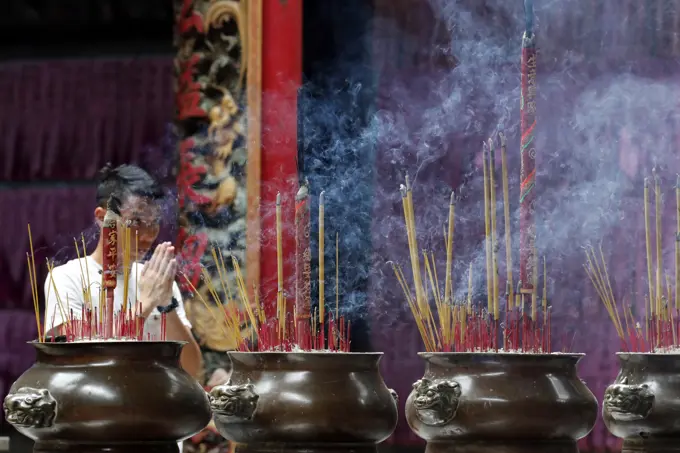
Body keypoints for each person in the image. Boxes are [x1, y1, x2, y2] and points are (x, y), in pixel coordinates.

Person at [44, 164, 203, 379]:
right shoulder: (67, 278)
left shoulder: (155, 279)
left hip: (156, 404)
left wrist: (167, 304)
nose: (148, 236)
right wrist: (145, 305)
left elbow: (192, 370)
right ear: (102, 218)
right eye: (136, 222)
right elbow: (82, 366)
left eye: (154, 224)